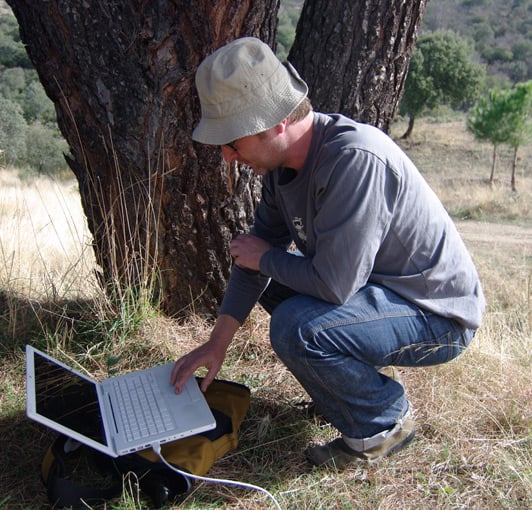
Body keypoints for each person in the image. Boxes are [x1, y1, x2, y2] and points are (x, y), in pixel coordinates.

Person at [170, 37, 485, 469]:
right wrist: (216, 345)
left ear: (275, 124)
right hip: (376, 292)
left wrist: (264, 258)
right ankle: (342, 388)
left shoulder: (355, 160)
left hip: (436, 315)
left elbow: (334, 285)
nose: (226, 156)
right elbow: (255, 258)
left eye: (232, 141)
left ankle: (381, 425)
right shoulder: (279, 168)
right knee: (272, 285)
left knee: (296, 327)